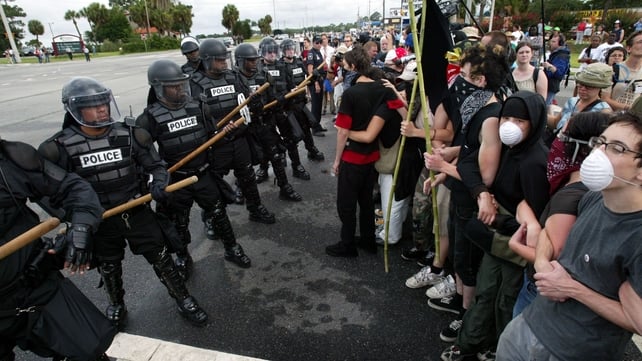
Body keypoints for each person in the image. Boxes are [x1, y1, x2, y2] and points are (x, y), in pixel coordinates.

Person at [38, 76, 208, 329]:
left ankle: (183, 298)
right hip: (100, 221)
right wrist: (74, 219)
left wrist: (158, 184)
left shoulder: (130, 135)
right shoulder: (57, 148)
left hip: (135, 210)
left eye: (104, 102)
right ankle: (117, 303)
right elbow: (46, 193)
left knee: (161, 258)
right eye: (93, 105)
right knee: (109, 266)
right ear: (74, 110)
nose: (102, 109)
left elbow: (156, 166)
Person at [496, 111, 642, 361]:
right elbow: (547, 235)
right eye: (601, 142)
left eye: (617, 148)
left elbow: (638, 320)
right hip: (530, 324)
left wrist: (574, 289)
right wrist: (543, 264)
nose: (599, 153)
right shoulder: (592, 197)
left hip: (574, 351)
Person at [440, 91, 550, 360]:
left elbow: (535, 223)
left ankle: (500, 348)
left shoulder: (535, 162)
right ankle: (471, 341)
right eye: (506, 118)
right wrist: (482, 194)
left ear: (534, 122)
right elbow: (468, 164)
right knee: (486, 290)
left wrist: (496, 216)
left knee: (507, 301)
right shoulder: (507, 147)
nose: (510, 126)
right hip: (496, 240)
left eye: (520, 120)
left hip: (515, 246)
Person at [0, 138, 115, 361]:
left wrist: (81, 227)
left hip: (36, 287)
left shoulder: (11, 159)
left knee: (89, 353)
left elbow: (73, 188)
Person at [136, 59, 252, 275]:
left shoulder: (198, 106)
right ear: (159, 88)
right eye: (174, 86)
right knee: (179, 222)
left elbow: (211, 136)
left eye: (182, 84)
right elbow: (144, 155)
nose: (180, 89)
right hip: (177, 178)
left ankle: (232, 248)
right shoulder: (149, 117)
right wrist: (154, 179)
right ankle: (182, 255)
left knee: (218, 213)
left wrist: (222, 134)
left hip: (203, 173)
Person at [508, 112, 609, 317]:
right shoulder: (601, 188)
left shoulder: (572, 195)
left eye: (564, 136)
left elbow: (554, 258)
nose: (557, 142)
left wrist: (516, 246)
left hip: (540, 292)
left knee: (520, 343)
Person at [325, 45, 403, 258]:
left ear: (351, 66)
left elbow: (343, 132)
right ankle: (368, 239)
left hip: (352, 157)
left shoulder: (352, 94)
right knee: (366, 201)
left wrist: (336, 161)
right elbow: (401, 110)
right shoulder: (383, 89)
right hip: (373, 156)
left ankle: (347, 243)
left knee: (346, 204)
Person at [189, 39, 276, 227]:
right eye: (219, 60)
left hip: (238, 138)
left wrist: (255, 101)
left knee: (247, 176)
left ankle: (255, 208)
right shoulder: (194, 83)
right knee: (213, 185)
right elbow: (194, 116)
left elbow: (250, 103)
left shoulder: (232, 77)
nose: (224, 63)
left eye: (225, 59)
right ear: (207, 61)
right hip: (216, 144)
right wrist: (215, 130)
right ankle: (211, 219)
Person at [239, 40, 303, 201]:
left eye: (255, 60)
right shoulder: (235, 78)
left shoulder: (264, 76)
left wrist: (279, 101)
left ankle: (284, 187)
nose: (254, 63)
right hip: (246, 127)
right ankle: (241, 191)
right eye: (251, 60)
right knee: (244, 162)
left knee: (275, 155)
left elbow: (273, 97)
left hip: (266, 121)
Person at [279, 38, 325, 163]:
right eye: (287, 49)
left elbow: (308, 79)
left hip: (300, 103)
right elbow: (278, 87)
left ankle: (312, 150)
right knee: (293, 135)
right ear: (283, 51)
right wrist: (287, 92)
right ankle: (296, 164)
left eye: (291, 48)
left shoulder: (299, 62)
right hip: (289, 106)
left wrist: (314, 77)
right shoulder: (279, 66)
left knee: (306, 129)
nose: (290, 51)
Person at [546, 63, 612, 145]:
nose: (582, 89)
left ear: (599, 87)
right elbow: (556, 123)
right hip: (558, 146)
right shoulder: (572, 102)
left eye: (589, 86)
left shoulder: (603, 111)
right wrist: (537, 112)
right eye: (580, 85)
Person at [603, 30, 642, 111]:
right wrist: (628, 108)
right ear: (628, 48)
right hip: (614, 117)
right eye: (640, 42)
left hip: (636, 120)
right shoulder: (613, 70)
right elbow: (605, 99)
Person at [307, 36, 329, 136]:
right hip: (314, 82)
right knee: (315, 106)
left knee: (319, 104)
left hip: (320, 80)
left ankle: (318, 124)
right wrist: (316, 83)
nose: (319, 44)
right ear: (313, 43)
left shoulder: (319, 52)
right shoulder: (311, 53)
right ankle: (314, 128)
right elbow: (310, 71)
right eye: (317, 42)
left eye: (320, 42)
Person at [541, 33, 570, 105]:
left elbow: (559, 73)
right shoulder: (555, 54)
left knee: (545, 105)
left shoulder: (562, 55)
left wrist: (548, 66)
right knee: (549, 106)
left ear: (560, 43)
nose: (551, 43)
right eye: (551, 41)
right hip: (548, 83)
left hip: (552, 84)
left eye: (554, 42)